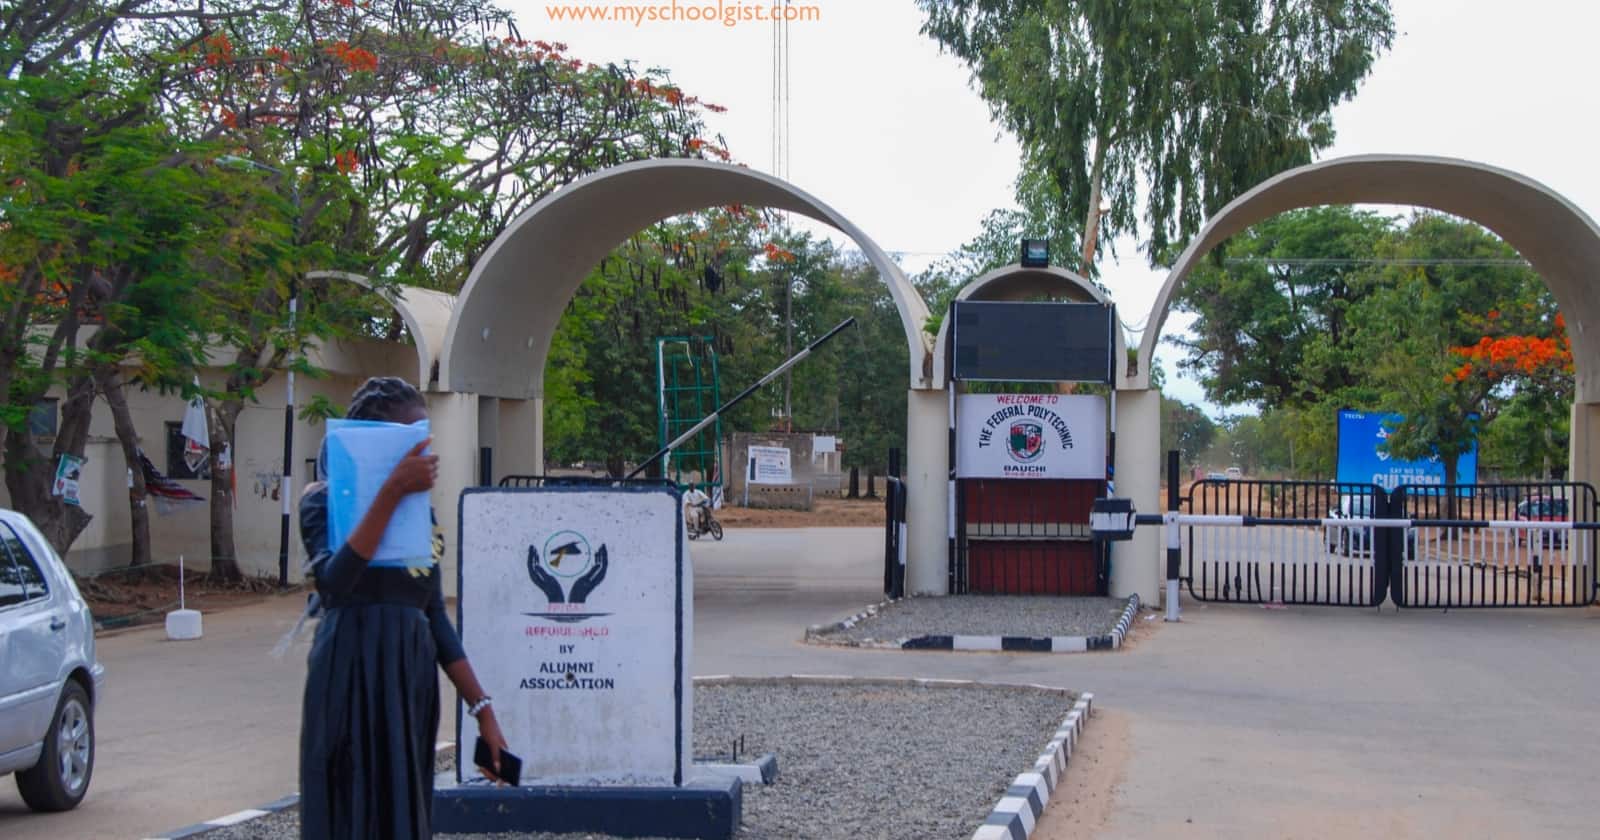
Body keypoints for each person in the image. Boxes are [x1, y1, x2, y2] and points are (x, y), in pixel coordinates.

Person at [298, 376, 508, 840]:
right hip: (351, 668)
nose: (423, 451)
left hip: (408, 674)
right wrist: (390, 493)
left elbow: (433, 614)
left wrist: (483, 710)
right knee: (349, 804)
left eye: (424, 438)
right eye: (408, 439)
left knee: (403, 805)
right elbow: (335, 585)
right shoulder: (322, 501)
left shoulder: (422, 517)